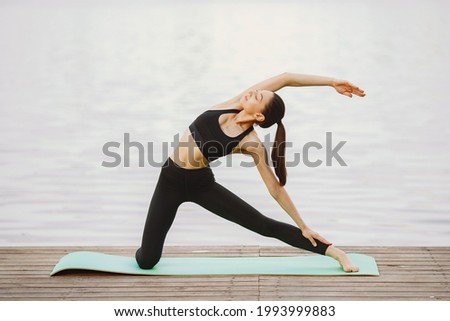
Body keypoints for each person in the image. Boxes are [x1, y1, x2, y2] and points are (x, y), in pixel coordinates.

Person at [135, 72, 365, 272]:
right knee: (147, 261)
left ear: (259, 117)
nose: (254, 92)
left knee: (265, 226)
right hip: (169, 180)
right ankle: (146, 247)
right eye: (257, 91)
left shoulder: (251, 142)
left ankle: (335, 252)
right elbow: (287, 78)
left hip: (200, 185)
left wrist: (303, 225)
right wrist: (331, 82)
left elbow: (275, 188)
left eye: (258, 97)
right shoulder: (233, 103)